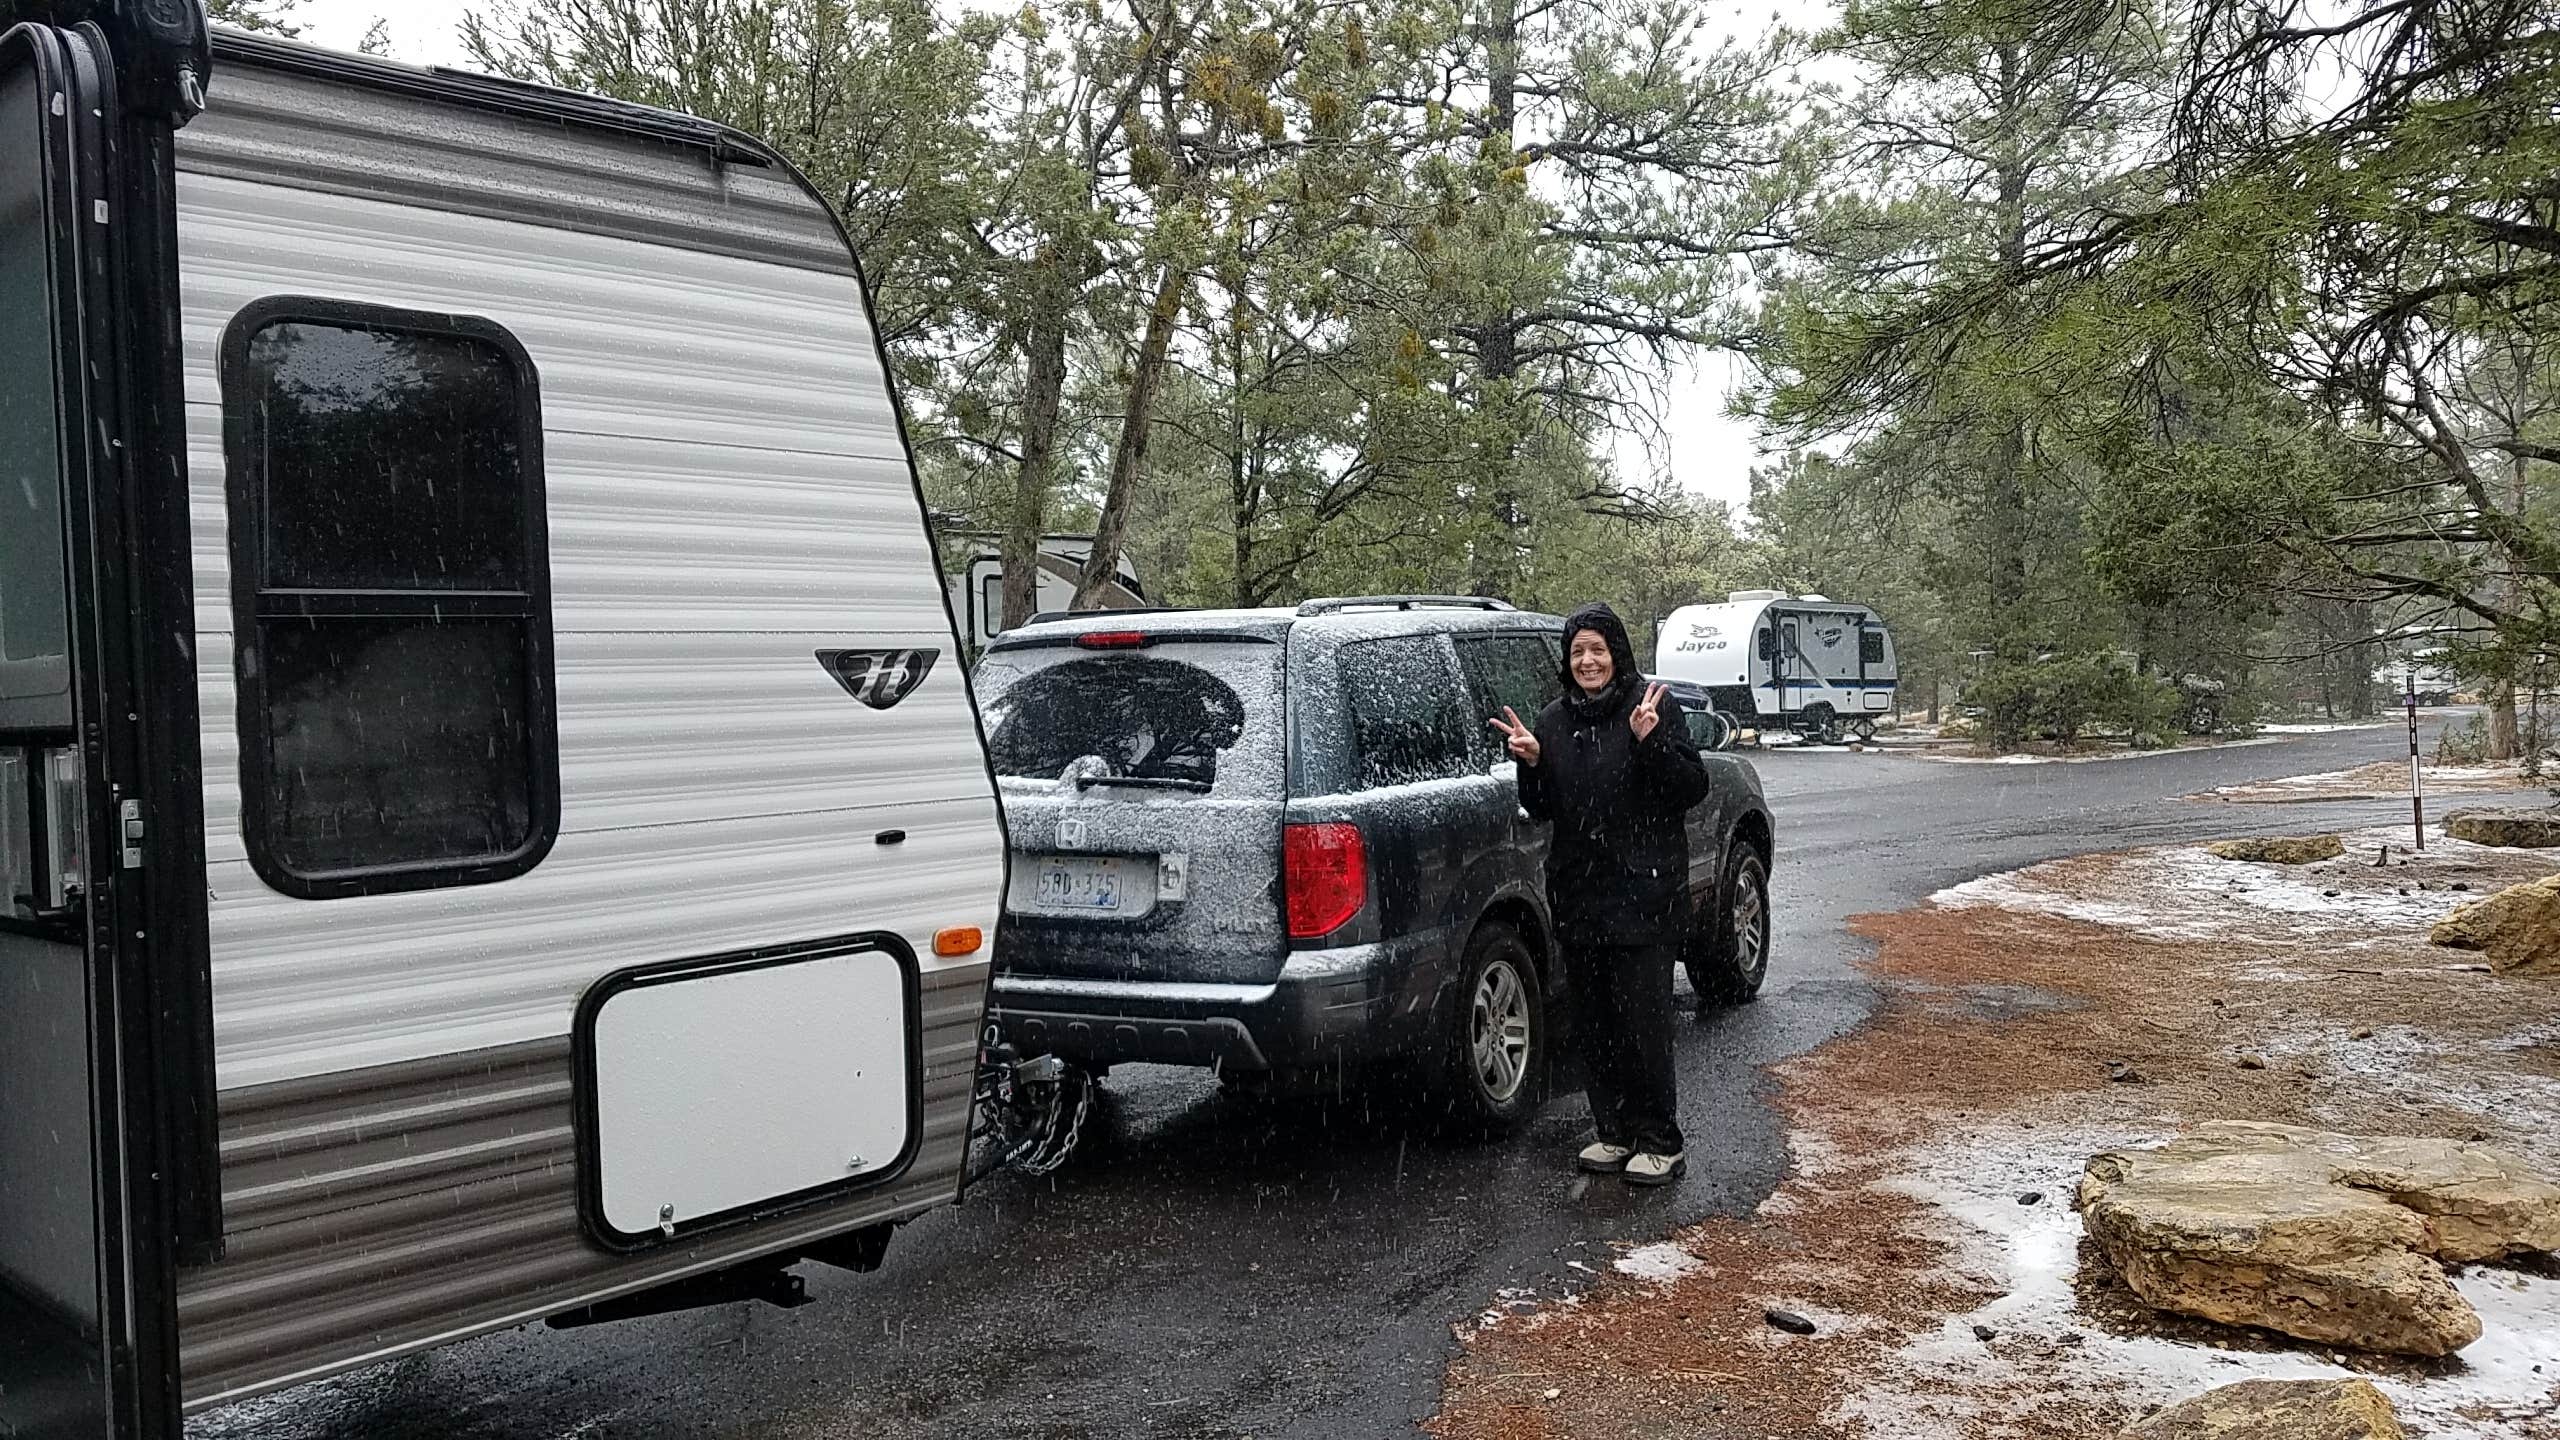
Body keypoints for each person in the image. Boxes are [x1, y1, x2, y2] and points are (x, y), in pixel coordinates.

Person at [1489, 603, 1710, 1185]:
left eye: (1598, 649)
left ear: (1617, 653)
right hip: (1581, 897)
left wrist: (1652, 741)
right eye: (1578, 651)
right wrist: (1533, 763)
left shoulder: (1652, 706)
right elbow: (1541, 808)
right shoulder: (1555, 721)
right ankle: (1612, 1131)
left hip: (1644, 895)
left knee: (1644, 1024)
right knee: (1596, 1024)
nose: (1587, 661)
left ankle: (1660, 1138)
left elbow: (1691, 788)